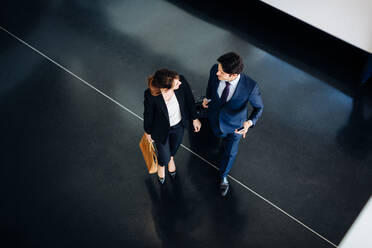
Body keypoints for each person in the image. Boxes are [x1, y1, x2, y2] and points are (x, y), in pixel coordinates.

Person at [202, 52, 264, 196]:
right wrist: (208, 98)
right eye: (218, 69)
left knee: (230, 153)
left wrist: (249, 122)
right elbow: (211, 85)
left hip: (235, 126)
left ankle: (223, 177)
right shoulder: (214, 70)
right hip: (214, 118)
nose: (217, 72)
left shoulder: (251, 87)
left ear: (234, 75)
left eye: (222, 72)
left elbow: (259, 107)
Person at [144, 69, 201, 184]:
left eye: (178, 80)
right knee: (163, 156)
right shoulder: (151, 95)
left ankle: (171, 159)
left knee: (174, 148)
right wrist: (148, 132)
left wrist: (195, 118)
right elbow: (148, 114)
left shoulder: (181, 81)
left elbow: (190, 100)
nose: (180, 83)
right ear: (165, 88)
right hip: (160, 130)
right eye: (176, 84)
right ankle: (162, 165)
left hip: (179, 125)